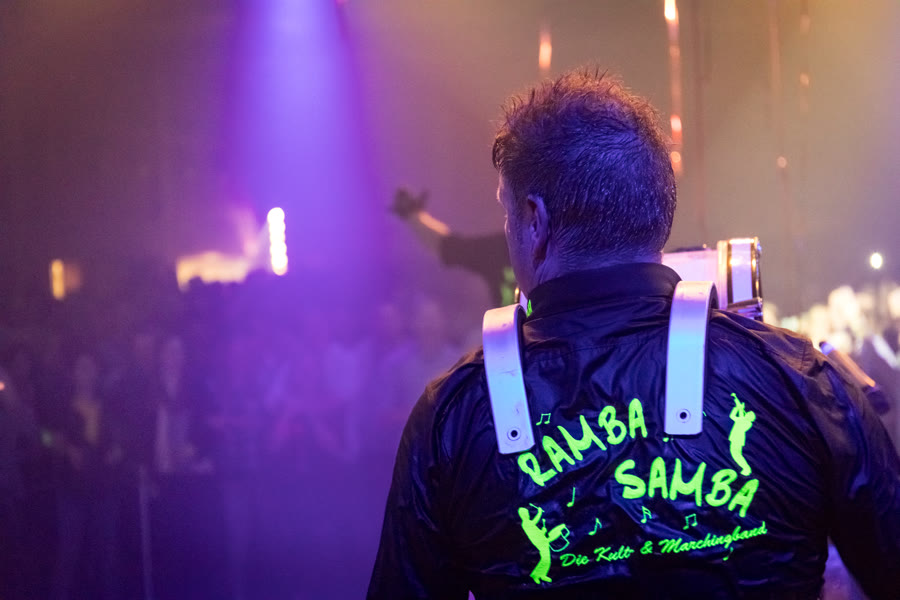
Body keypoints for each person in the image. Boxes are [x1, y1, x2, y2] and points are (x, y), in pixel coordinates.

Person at [367, 68, 900, 599]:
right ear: (657, 208)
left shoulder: (454, 414)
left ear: (533, 220)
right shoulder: (800, 379)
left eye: (507, 213)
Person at [391, 188, 516, 307]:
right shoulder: (500, 248)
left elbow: (446, 246)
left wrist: (413, 215)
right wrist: (413, 216)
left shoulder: (506, 247)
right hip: (509, 322)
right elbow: (448, 247)